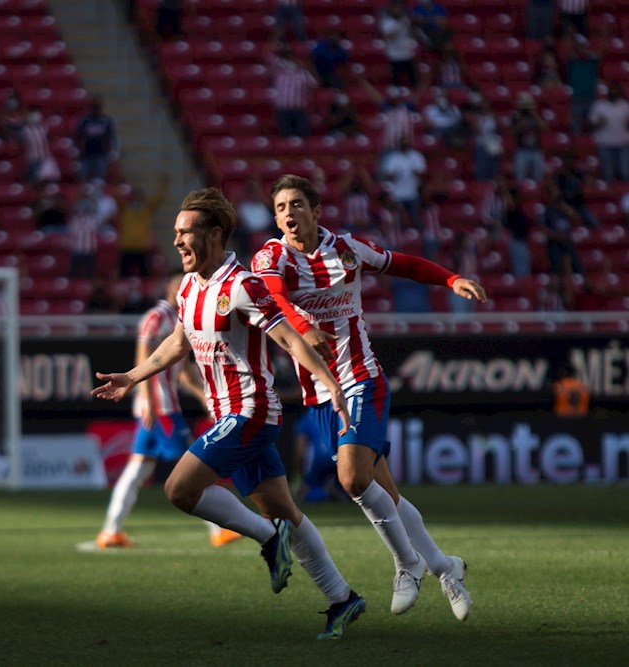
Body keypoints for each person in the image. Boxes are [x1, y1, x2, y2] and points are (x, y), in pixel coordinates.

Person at [93, 187, 367, 641]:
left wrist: (330, 382)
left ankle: (264, 539)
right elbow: (178, 344)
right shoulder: (188, 288)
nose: (178, 241)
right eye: (176, 232)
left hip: (251, 412)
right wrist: (132, 376)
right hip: (230, 415)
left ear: (216, 234)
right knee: (286, 513)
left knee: (179, 489)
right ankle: (343, 598)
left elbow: (290, 341)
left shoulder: (243, 286)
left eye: (187, 232)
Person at [253, 173, 483, 621]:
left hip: (361, 378)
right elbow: (275, 297)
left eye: (296, 204)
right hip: (318, 394)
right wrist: (304, 327)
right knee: (386, 494)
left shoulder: (347, 249)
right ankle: (445, 566)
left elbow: (405, 264)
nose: (288, 214)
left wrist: (450, 278)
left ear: (316, 211)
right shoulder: (271, 256)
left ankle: (407, 564)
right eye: (280, 207)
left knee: (353, 479)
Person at [96, 274, 243, 549]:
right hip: (161, 409)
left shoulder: (181, 320)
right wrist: (150, 401)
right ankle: (219, 529)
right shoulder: (156, 317)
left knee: (137, 471)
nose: (185, 289)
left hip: (162, 406)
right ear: (170, 288)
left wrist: (203, 397)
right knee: (194, 468)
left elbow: (184, 372)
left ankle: (110, 531)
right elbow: (143, 360)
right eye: (180, 284)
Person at [265, 42, 318, 139]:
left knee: (302, 137)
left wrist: (308, 95)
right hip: (283, 110)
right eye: (286, 56)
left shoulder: (303, 72)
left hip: (299, 110)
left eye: (290, 55)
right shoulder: (279, 70)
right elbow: (268, 54)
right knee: (286, 138)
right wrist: (279, 43)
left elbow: (314, 84)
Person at [588, 83, 629, 183]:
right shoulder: (599, 105)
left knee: (625, 173)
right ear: (607, 93)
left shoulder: (625, 105)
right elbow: (590, 126)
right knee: (608, 174)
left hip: (623, 144)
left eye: (616, 91)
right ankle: (610, 196)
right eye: (611, 91)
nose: (613, 93)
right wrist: (600, 123)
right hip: (604, 144)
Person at [75, 95, 119, 184]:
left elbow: (113, 137)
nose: (96, 107)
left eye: (98, 105)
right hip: (86, 154)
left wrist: (114, 151)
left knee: (99, 180)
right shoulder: (85, 120)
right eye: (94, 105)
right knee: (84, 180)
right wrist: (76, 149)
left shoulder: (107, 120)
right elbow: (77, 136)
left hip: (101, 155)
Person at [511, 92, 546, 183]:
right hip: (522, 150)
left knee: (538, 177)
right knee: (520, 177)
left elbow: (544, 128)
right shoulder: (516, 117)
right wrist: (521, 124)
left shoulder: (536, 116)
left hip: (536, 150)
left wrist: (534, 114)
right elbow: (512, 132)